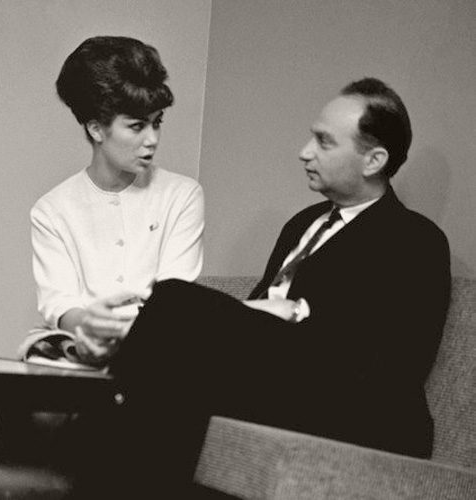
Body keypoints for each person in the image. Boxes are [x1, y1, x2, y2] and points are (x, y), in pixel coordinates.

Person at [74, 78, 451, 497]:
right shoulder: (302, 224)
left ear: (374, 160)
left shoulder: (415, 240)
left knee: (175, 300)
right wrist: (263, 313)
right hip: (276, 381)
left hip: (357, 409)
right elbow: (251, 324)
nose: (305, 151)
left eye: (324, 142)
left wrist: (296, 314)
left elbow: (384, 366)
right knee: (170, 349)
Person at [28, 36, 204, 360]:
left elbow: (177, 298)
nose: (152, 139)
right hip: (82, 349)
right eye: (137, 126)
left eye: (157, 123)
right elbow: (60, 304)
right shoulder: (51, 210)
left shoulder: (182, 195)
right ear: (96, 129)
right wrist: (91, 326)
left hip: (161, 350)